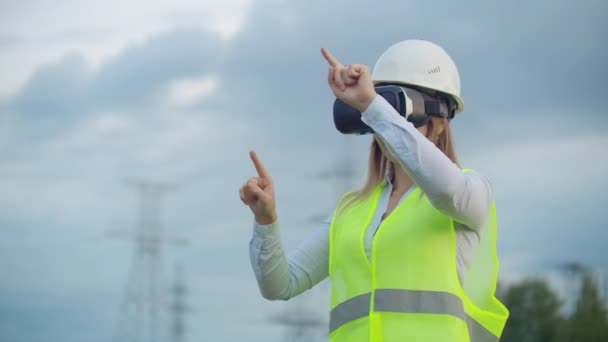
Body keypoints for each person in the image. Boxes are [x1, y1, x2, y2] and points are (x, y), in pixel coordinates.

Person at [240, 40, 509, 341]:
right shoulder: (352, 212)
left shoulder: (471, 193)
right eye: (383, 107)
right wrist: (266, 221)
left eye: (398, 109)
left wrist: (373, 106)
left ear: (440, 123)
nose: (388, 124)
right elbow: (280, 285)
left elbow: (447, 190)